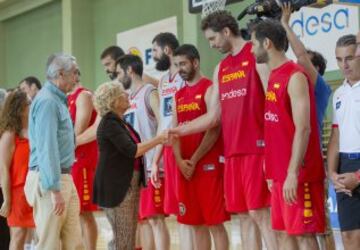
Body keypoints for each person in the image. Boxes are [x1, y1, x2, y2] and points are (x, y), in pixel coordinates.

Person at [170, 11, 276, 250]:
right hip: (232, 153)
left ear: (226, 32)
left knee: (260, 214)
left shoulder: (256, 54)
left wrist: (275, 147)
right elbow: (213, 116)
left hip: (257, 149)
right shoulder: (221, 68)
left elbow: (273, 99)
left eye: (212, 39)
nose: (212, 44)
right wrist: (178, 130)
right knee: (245, 218)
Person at [251, 19, 325, 250]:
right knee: (285, 234)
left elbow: (303, 129)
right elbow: (277, 127)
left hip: (299, 173)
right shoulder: (274, 75)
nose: (251, 49)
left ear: (267, 43)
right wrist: (270, 165)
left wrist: (292, 172)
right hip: (280, 172)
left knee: (304, 235)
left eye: (253, 44)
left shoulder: (295, 76)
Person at [280, 4, 334, 250]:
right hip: (294, 161)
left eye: (306, 65)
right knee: (295, 230)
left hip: (311, 162)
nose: (298, 66)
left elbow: (301, 56)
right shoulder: (292, 87)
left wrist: (285, 25)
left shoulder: (319, 87)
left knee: (319, 229)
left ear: (317, 70)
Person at [92, 82, 168, 250]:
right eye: (122, 93)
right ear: (113, 100)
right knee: (123, 239)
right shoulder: (110, 123)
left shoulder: (120, 122)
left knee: (126, 237)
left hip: (125, 184)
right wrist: (159, 139)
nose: (127, 95)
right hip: (117, 188)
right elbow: (133, 151)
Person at [24, 52, 84, 250]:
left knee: (74, 242)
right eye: (75, 73)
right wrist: (55, 189)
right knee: (49, 244)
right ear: (60, 74)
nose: (77, 78)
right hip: (50, 179)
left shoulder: (58, 99)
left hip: (64, 176)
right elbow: (47, 148)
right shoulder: (48, 101)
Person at [172, 44, 230, 250]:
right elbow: (174, 132)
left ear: (195, 63)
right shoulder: (178, 95)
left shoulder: (209, 88)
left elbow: (214, 129)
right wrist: (179, 160)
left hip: (206, 165)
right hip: (185, 168)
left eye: (183, 64)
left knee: (215, 224)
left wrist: (194, 159)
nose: (180, 69)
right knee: (195, 224)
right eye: (177, 64)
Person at [115, 54, 170, 250]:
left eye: (120, 72)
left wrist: (156, 160)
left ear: (130, 70)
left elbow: (164, 123)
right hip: (133, 169)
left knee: (155, 219)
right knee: (142, 220)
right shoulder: (127, 98)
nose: (118, 77)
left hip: (150, 166)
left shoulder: (149, 92)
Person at [150, 32, 198, 250]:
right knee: (179, 210)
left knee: (193, 209)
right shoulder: (162, 81)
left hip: (187, 144)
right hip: (168, 148)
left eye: (155, 51)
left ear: (167, 49)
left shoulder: (185, 76)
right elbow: (163, 123)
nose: (153, 56)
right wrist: (155, 159)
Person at [327, 34, 360, 250]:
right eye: (339, 59)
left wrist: (358, 176)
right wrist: (332, 173)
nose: (344, 65)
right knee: (349, 237)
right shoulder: (338, 94)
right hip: (345, 166)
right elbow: (335, 137)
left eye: (349, 58)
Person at [67, 69, 98, 250]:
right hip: (72, 160)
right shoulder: (68, 98)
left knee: (85, 212)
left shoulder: (84, 95)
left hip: (83, 160)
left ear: (76, 75)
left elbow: (79, 130)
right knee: (76, 213)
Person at [0, 89, 34, 250]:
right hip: (18, 191)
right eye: (28, 102)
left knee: (42, 232)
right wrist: (7, 199)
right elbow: (4, 169)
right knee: (18, 233)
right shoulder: (9, 134)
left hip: (35, 187)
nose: (32, 104)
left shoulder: (35, 129)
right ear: (19, 108)